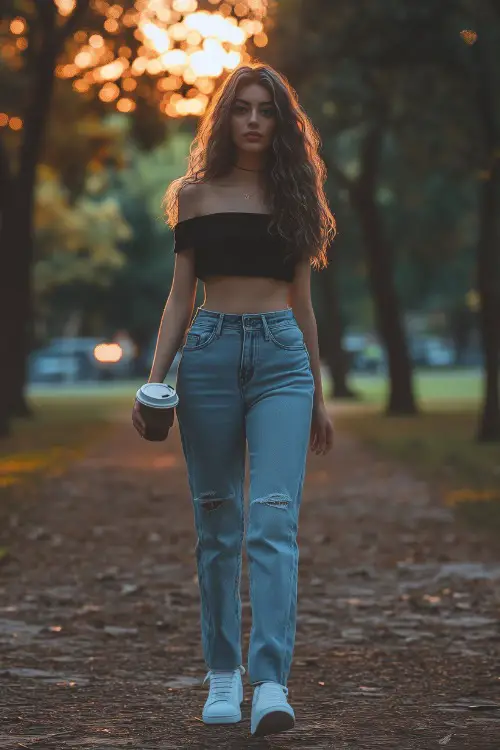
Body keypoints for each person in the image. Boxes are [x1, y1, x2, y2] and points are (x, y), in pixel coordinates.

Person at [132, 63, 335, 738]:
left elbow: (302, 301)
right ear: (225, 118)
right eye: (242, 108)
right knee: (218, 523)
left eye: (266, 110)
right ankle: (223, 674)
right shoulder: (193, 195)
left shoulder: (296, 192)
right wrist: (155, 378)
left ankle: (271, 682)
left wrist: (319, 390)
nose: (252, 120)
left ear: (281, 122)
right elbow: (179, 294)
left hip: (281, 360)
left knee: (272, 523)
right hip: (211, 356)